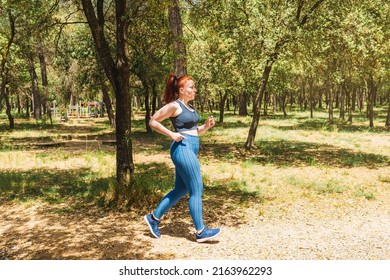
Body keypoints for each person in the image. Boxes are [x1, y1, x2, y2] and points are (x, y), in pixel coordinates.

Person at [144, 73, 221, 243]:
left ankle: (153, 219)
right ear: (182, 89)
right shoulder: (174, 106)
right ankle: (200, 231)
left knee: (181, 189)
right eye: (192, 87)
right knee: (196, 188)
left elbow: (193, 131)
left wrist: (206, 127)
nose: (195, 90)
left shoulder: (190, 107)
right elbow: (153, 121)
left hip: (191, 147)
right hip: (182, 149)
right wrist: (171, 134)